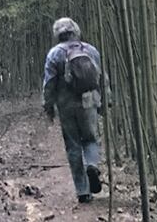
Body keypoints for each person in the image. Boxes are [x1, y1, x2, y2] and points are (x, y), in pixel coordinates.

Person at [41, 17, 107, 203]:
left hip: (66, 106)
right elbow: (102, 78)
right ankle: (92, 165)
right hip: (89, 102)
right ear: (75, 31)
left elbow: (49, 84)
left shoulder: (54, 54)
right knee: (90, 139)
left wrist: (48, 106)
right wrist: (104, 101)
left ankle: (83, 191)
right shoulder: (91, 50)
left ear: (58, 34)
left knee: (73, 146)